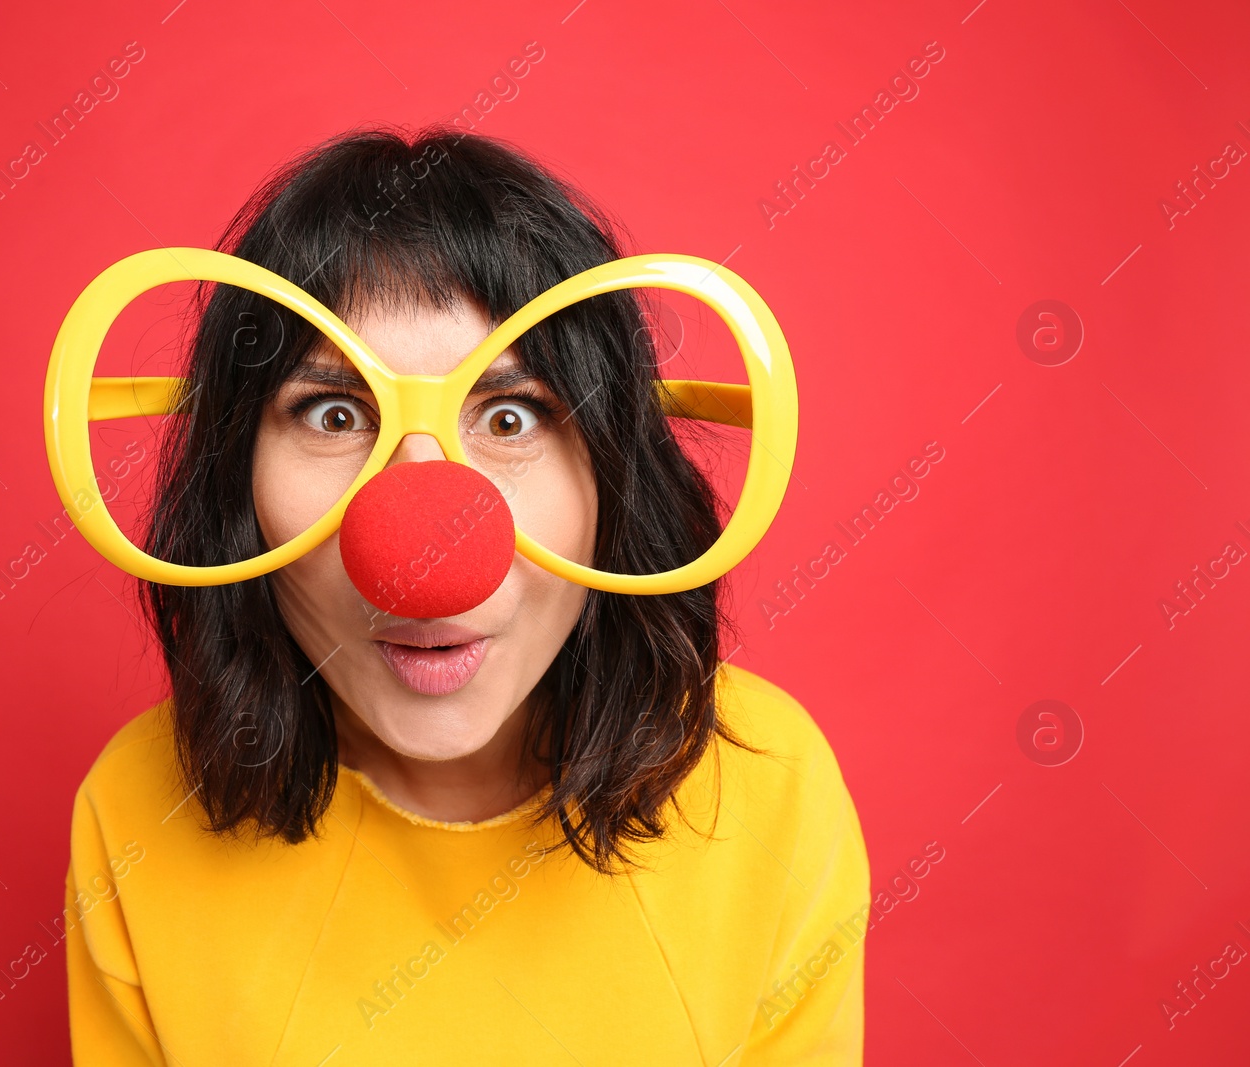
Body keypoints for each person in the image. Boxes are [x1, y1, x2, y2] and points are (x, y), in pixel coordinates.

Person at [63, 125, 869, 1064]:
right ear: (233, 475)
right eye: (334, 414)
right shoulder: (135, 810)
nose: (423, 549)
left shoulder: (771, 790)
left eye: (509, 414)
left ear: (615, 468)